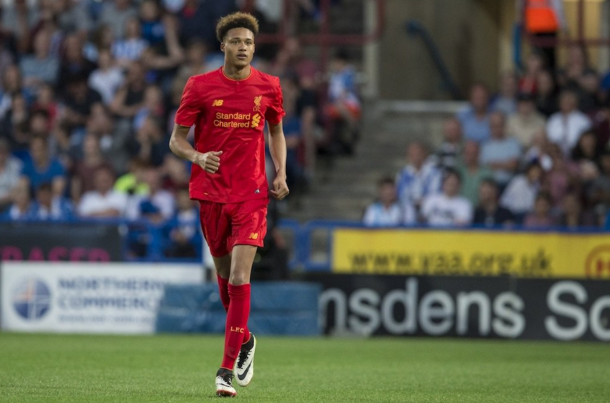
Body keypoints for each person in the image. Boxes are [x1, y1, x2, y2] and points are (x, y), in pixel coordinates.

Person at [168, 12, 288, 397]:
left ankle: (224, 371)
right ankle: (246, 340)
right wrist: (198, 158)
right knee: (225, 282)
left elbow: (276, 131)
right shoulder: (200, 86)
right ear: (223, 45)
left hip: (251, 195)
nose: (243, 48)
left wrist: (281, 172)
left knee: (239, 278)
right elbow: (176, 140)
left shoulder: (269, 86)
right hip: (210, 194)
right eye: (236, 41)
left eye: (249, 42)